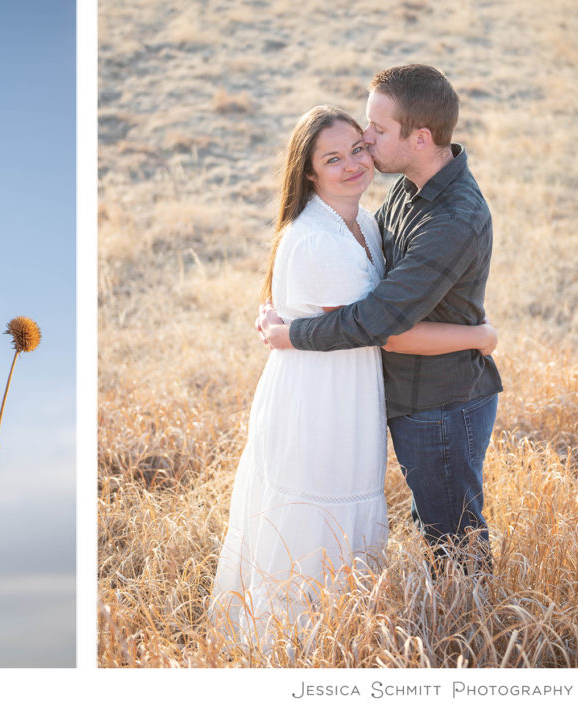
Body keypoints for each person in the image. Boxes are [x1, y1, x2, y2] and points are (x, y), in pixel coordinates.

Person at [210, 104, 497, 645]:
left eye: (360, 148)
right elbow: (383, 328)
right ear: (310, 171)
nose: (353, 164)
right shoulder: (321, 239)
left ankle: (341, 636)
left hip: (346, 388)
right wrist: (481, 336)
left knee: (345, 509)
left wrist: (284, 323)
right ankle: (293, 646)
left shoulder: (363, 218)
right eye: (333, 158)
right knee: (314, 512)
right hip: (319, 399)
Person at [258, 65, 503, 573]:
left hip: (441, 401)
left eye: (376, 130)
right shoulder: (409, 188)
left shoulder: (452, 218)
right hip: (408, 396)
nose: (365, 140)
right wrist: (478, 333)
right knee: (435, 524)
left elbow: (380, 321)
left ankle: (477, 636)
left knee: (455, 544)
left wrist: (291, 334)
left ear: (419, 138)